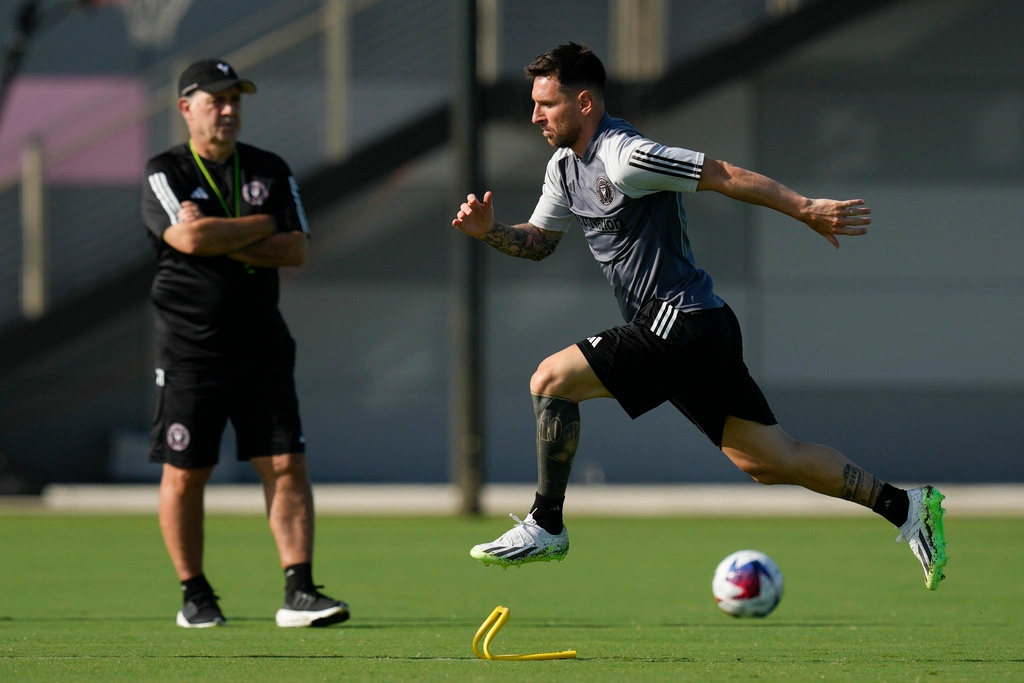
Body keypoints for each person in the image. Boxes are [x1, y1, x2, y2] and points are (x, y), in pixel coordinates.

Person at [452, 43, 948, 590]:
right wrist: (489, 233)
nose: (535, 116)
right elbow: (540, 241)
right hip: (695, 327)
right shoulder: (564, 168)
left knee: (551, 379)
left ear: (585, 102)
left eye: (546, 104)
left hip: (680, 320)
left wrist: (805, 208)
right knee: (769, 460)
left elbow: (720, 173)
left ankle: (546, 525)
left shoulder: (627, 155)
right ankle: (905, 506)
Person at [141, 59, 349, 627]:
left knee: (286, 463)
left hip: (262, 344)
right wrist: (260, 224)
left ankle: (299, 592)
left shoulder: (269, 167)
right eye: (216, 100)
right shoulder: (166, 170)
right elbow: (183, 236)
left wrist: (217, 233)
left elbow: (295, 250)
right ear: (187, 108)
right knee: (186, 472)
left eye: (236, 99)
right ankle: (195, 595)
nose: (229, 110)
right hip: (189, 349)